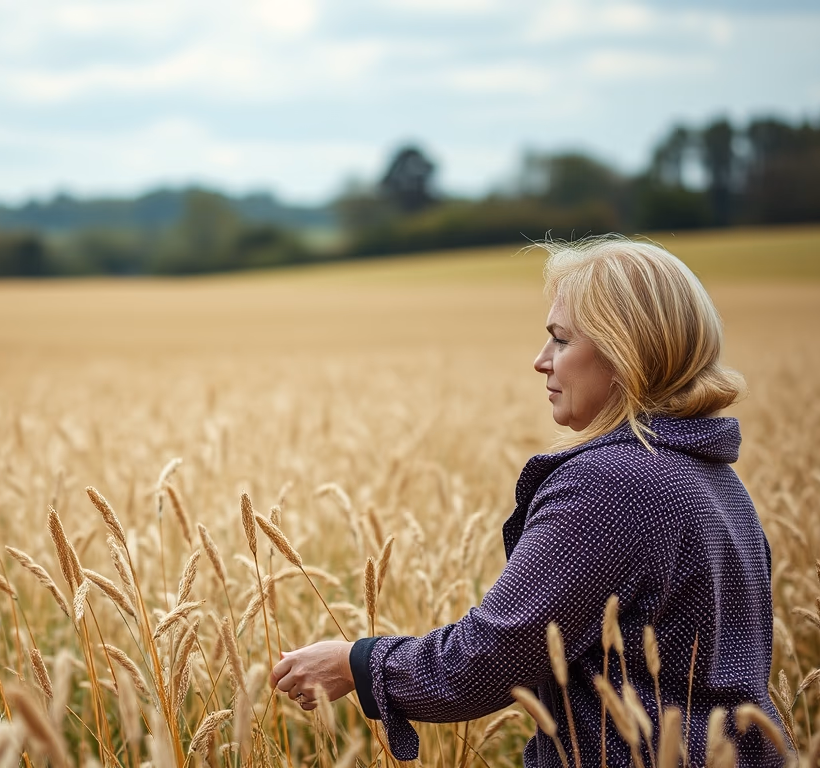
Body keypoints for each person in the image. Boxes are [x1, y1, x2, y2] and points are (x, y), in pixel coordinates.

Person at [270, 237, 787, 767]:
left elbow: (493, 656)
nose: (540, 361)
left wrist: (355, 663)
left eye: (561, 341)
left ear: (623, 353)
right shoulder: (715, 481)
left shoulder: (612, 483)